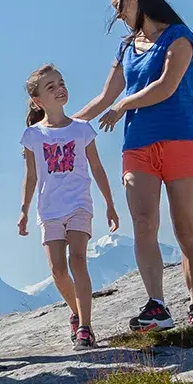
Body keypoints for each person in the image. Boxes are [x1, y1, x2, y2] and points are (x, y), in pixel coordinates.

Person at [76, 0, 193, 331]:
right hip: (137, 146)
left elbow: (166, 87)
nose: (117, 14)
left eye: (119, 5)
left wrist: (123, 106)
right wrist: (64, 125)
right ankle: (157, 305)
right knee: (143, 225)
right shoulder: (125, 47)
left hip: (181, 139)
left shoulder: (180, 37)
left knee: (185, 230)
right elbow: (104, 96)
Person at [18, 64, 119, 349]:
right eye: (51, 87)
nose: (60, 89)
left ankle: (86, 327)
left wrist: (110, 204)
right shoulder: (33, 136)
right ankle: (75, 313)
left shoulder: (82, 130)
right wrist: (24, 210)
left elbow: (97, 168)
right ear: (38, 101)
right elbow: (31, 175)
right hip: (49, 210)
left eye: (61, 83)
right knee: (58, 271)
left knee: (78, 260)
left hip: (79, 205)